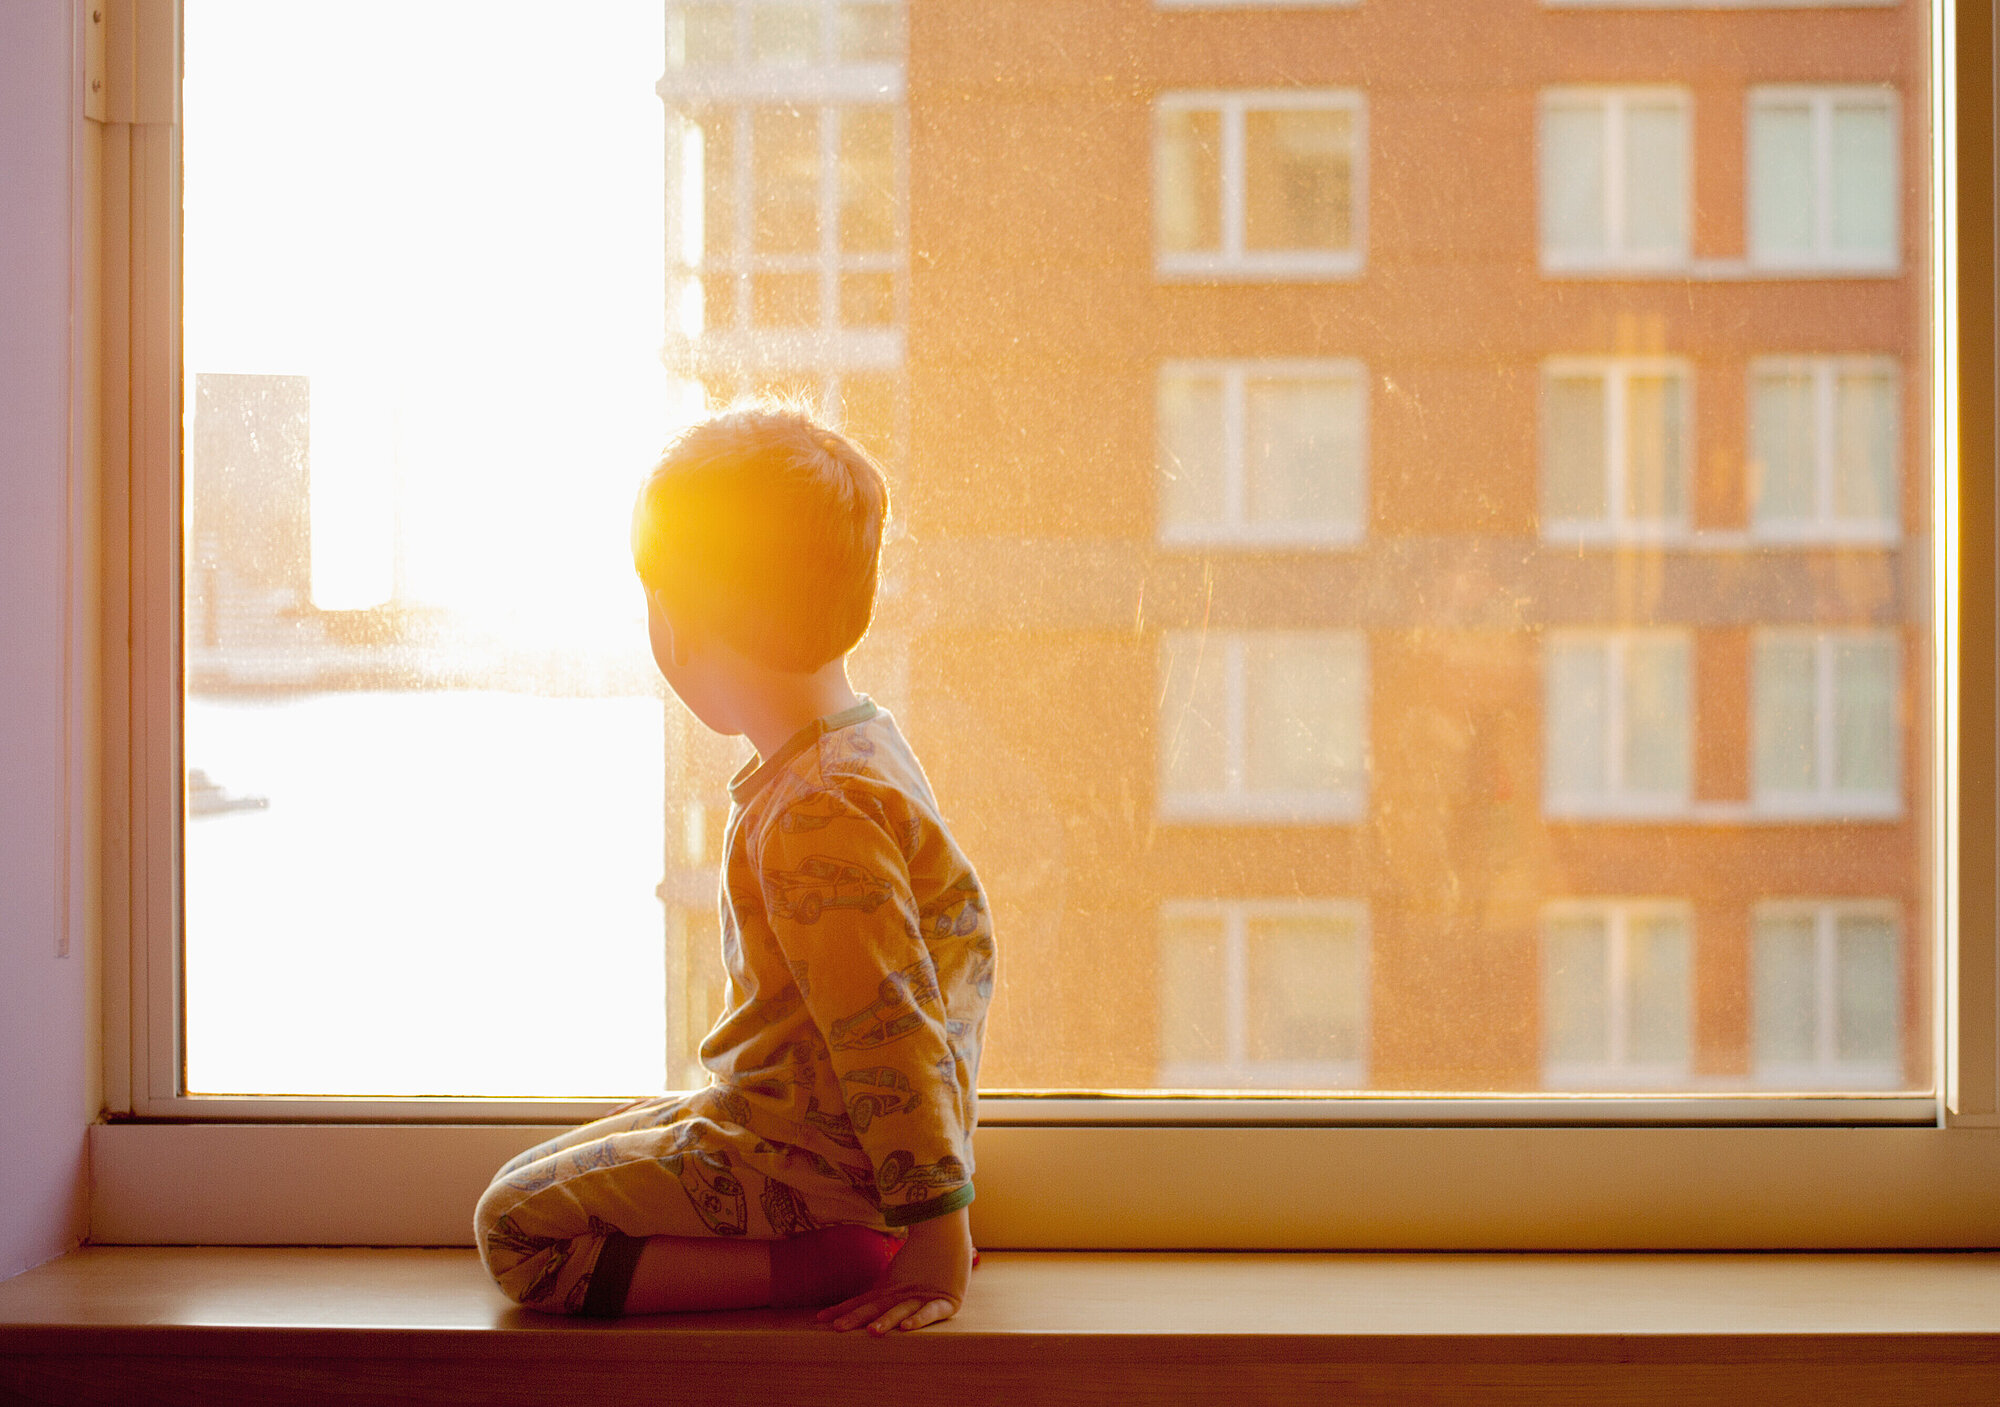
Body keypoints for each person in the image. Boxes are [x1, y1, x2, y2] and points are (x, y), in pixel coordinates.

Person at [474, 404, 995, 1334]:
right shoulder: (860, 745)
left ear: (679, 623)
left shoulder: (815, 814)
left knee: (514, 1225)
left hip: (813, 1166)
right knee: (603, 1140)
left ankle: (812, 1260)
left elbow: (892, 1030)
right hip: (803, 1127)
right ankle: (831, 1229)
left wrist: (936, 1232)